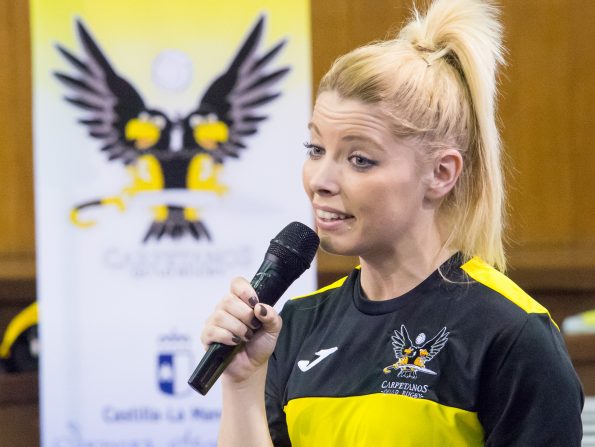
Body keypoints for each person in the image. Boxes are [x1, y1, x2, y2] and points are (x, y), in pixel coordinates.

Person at [200, 0, 585, 445]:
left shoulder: (511, 333)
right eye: (315, 150)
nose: (320, 181)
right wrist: (242, 384)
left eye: (360, 159)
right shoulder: (298, 324)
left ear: (441, 173)